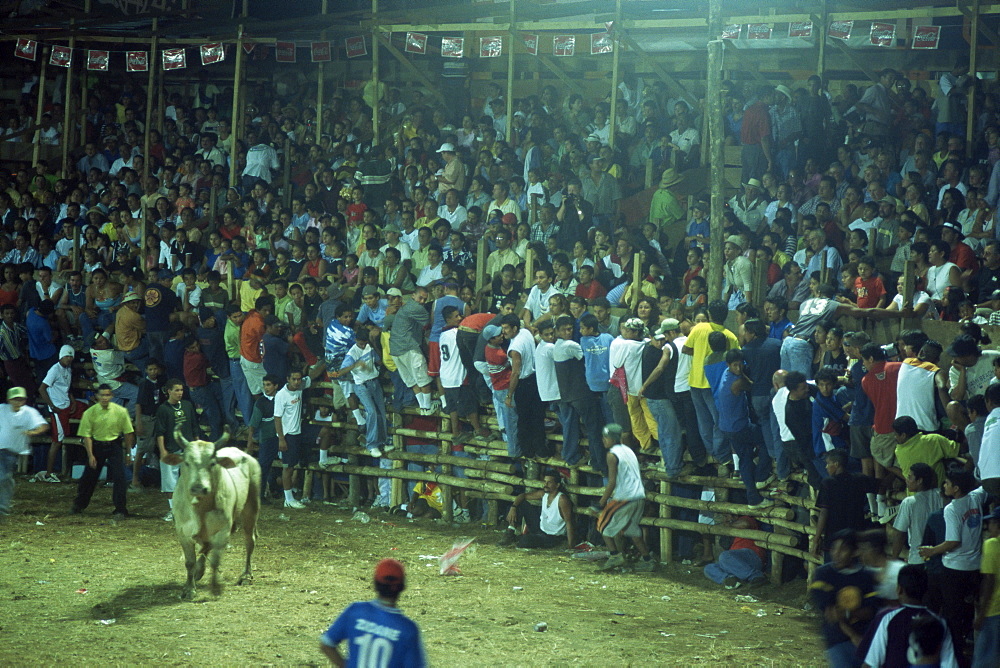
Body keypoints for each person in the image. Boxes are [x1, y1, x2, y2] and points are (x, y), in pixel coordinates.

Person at [918, 467, 987, 663]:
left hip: (954, 571)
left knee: (952, 618)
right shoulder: (975, 498)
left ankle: (954, 658)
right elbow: (985, 486)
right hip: (974, 568)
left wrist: (931, 551)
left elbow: (952, 542)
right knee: (965, 613)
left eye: (947, 483)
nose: (944, 486)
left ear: (956, 488)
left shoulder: (952, 509)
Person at [319, 558, 426, 667]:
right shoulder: (407, 630)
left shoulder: (355, 611)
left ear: (375, 583)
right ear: (402, 587)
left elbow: (326, 644)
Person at [857, 564, 958, 668]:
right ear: (926, 591)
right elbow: (950, 664)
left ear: (899, 589)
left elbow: (871, 663)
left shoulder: (886, 618)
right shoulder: (940, 622)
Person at [809, 529, 881, 668]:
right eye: (834, 548)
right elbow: (832, 613)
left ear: (855, 552)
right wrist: (853, 635)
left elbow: (871, 611)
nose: (836, 553)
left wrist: (847, 614)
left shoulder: (866, 576)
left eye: (843, 549)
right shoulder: (823, 574)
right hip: (838, 639)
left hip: (865, 639)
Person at [597, 423, 656, 572]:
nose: (604, 440)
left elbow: (612, 482)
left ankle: (615, 555)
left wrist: (603, 501)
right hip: (639, 496)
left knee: (602, 525)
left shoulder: (611, 455)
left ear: (612, 439)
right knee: (631, 530)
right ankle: (647, 559)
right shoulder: (628, 451)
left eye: (606, 437)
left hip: (625, 497)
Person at [71, 384, 135, 519]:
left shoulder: (120, 411)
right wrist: (90, 455)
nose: (105, 398)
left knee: (119, 477)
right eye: (102, 395)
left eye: (107, 395)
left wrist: (129, 453)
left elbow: (128, 433)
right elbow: (86, 435)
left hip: (114, 445)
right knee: (89, 477)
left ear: (111, 396)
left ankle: (120, 509)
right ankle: (79, 504)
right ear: (97, 396)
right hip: (97, 445)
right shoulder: (90, 412)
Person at [33, 345, 86, 483]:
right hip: (58, 409)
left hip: (68, 404)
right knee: (57, 441)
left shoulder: (68, 369)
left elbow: (67, 388)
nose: (69, 358)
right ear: (61, 356)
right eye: (66, 356)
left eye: (71, 356)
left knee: (89, 411)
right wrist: (51, 406)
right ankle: (49, 473)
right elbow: (42, 388)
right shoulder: (54, 370)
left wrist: (73, 401)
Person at [813, 449, 878, 559]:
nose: (826, 467)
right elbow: (880, 484)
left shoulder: (828, 483)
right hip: (855, 537)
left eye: (828, 463)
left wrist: (816, 539)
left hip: (834, 538)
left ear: (836, 464)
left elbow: (824, 512)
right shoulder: (859, 479)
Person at [274, 366, 324, 509]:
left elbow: (312, 375)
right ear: (288, 379)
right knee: (288, 467)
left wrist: (324, 362)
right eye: (294, 379)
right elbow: (277, 418)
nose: (297, 382)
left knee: (323, 432)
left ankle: (324, 458)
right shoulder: (281, 395)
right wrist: (281, 438)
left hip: (299, 431)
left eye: (299, 379)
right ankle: (288, 499)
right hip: (288, 434)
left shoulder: (301, 386)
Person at [154, 378, 198, 522]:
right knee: (170, 482)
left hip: (188, 449)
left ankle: (190, 510)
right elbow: (160, 432)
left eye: (181, 390)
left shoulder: (187, 405)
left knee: (190, 480)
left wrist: (197, 445)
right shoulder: (163, 409)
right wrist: (163, 451)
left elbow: (194, 427)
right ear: (169, 391)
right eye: (177, 390)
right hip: (171, 449)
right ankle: (173, 510)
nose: (180, 393)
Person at [0, 387, 48, 520]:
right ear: (9, 400)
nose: (17, 402)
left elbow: (43, 425)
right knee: (4, 478)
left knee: (4, 478)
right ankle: (2, 508)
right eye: (15, 399)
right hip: (2, 449)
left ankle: (3, 508)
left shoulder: (29, 412)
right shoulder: (2, 410)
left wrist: (34, 432)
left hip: (12, 452)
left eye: (20, 399)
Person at [500, 469, 576, 549]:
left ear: (557, 485)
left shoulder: (562, 499)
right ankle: (510, 534)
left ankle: (520, 539)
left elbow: (569, 522)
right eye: (545, 481)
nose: (545, 484)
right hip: (540, 529)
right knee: (522, 504)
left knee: (525, 541)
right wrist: (513, 507)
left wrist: (571, 546)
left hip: (553, 536)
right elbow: (523, 496)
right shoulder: (543, 494)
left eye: (549, 482)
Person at [891, 463, 945, 565]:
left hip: (918, 558)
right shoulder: (941, 495)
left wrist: (894, 559)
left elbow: (900, 534)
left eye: (910, 477)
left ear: (919, 481)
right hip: (941, 557)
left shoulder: (909, 502)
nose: (907, 480)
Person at [702, 514, 768, 589]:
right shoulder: (731, 526)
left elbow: (745, 524)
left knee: (724, 556)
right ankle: (730, 579)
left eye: (727, 516)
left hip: (751, 555)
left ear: (735, 515)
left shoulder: (746, 518)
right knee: (709, 568)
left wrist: (729, 524)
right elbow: (724, 543)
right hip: (734, 562)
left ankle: (756, 576)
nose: (726, 518)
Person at [974, 507, 1000, 668]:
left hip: (994, 609)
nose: (988, 527)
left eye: (990, 523)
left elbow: (989, 581)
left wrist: (981, 614)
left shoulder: (991, 544)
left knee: (983, 660)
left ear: (997, 524)